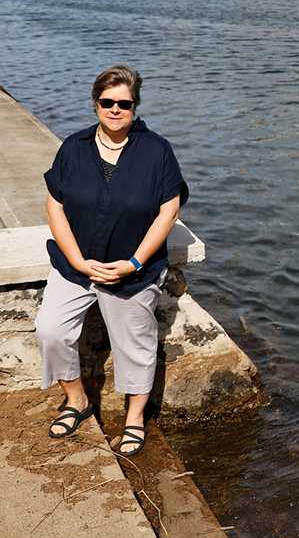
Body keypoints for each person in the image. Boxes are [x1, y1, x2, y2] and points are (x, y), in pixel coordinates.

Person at [36, 64, 189, 457]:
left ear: (135, 106)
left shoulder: (157, 151)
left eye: (125, 103)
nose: (116, 109)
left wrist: (135, 263)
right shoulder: (74, 147)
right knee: (51, 331)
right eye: (108, 102)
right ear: (96, 103)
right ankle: (77, 400)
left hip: (131, 272)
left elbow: (168, 211)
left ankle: (134, 418)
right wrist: (78, 260)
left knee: (134, 346)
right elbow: (55, 206)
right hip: (76, 266)